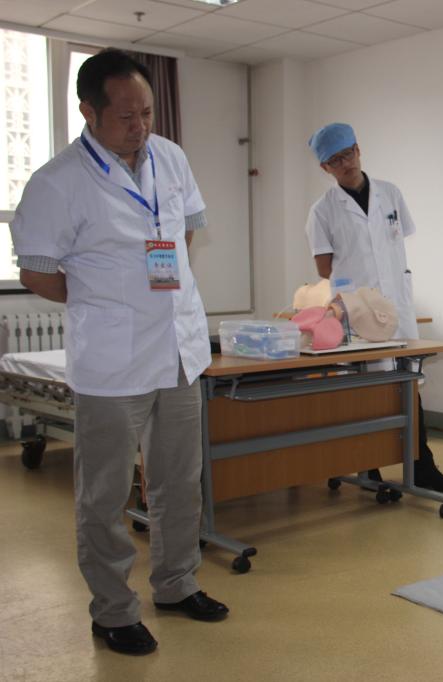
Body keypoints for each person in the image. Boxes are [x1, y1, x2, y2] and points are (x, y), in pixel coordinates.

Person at [10, 49, 228, 655]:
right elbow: (37, 273)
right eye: (127, 116)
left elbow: (183, 233)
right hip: (111, 364)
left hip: (178, 351)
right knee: (104, 495)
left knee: (179, 480)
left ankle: (177, 585)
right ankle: (112, 611)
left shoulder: (171, 157)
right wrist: (105, 300)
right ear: (89, 111)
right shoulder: (57, 182)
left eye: (148, 113)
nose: (141, 126)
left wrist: (153, 291)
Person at [304, 122, 443, 493]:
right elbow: (324, 268)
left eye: (348, 154)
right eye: (335, 160)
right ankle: (366, 465)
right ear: (325, 168)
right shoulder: (322, 211)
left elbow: (394, 241)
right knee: (365, 388)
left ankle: (422, 465)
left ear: (359, 150)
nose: (345, 163)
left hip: (397, 305)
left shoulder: (390, 194)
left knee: (409, 383)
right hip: (357, 311)